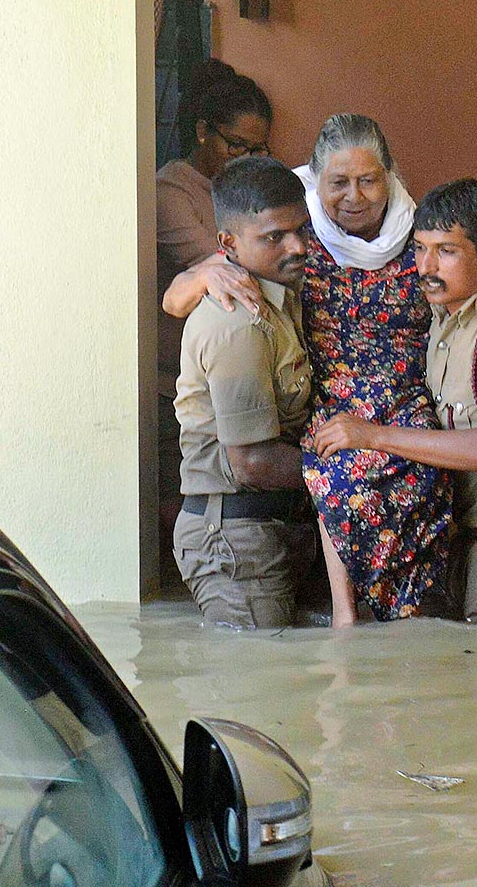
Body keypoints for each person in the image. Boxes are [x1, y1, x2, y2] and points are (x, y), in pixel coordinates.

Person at [165, 114, 452, 628]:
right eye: (338, 182)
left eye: (369, 180)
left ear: (391, 176)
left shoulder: (419, 242)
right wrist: (358, 467)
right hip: (288, 489)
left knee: (386, 648)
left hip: (334, 480)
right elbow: (250, 462)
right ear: (315, 182)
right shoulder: (256, 284)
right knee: (266, 668)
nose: (354, 196)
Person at [314, 179, 477, 622]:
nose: (426, 265)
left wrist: (375, 436)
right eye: (420, 248)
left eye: (447, 250)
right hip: (462, 541)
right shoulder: (441, 319)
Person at [172, 156, 316, 629]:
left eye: (302, 228)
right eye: (275, 237)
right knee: (256, 690)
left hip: (269, 528)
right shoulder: (237, 319)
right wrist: (356, 471)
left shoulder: (282, 293)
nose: (297, 246)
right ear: (228, 244)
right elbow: (251, 462)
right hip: (234, 539)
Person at [156, 61, 273, 582]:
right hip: (177, 382)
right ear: (202, 131)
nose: (245, 159)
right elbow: (221, 268)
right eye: (236, 145)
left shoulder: (244, 188)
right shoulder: (171, 192)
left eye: (258, 150)